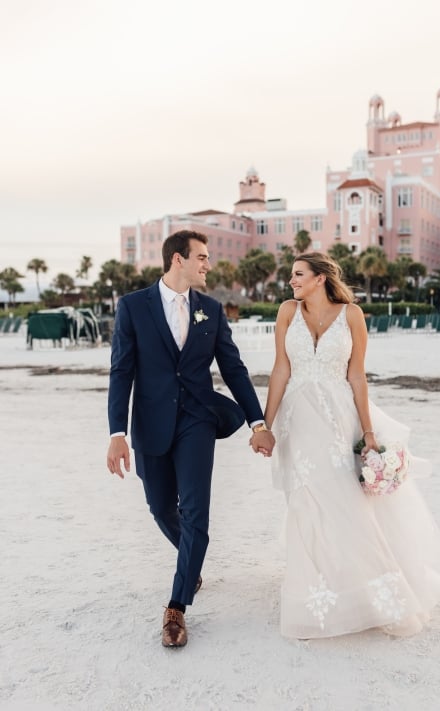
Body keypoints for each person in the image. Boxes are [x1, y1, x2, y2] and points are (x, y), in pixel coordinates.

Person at [263, 252, 440, 638]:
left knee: (347, 500)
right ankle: (315, 594)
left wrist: (368, 432)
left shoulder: (351, 314)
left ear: (320, 278)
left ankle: (380, 594)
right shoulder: (287, 311)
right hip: (299, 421)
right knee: (306, 501)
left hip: (340, 418)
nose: (292, 281)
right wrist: (263, 425)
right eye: (291, 276)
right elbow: (281, 369)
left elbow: (356, 375)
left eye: (299, 275)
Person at [106, 230, 275, 648]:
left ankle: (177, 607)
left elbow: (233, 369)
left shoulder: (212, 311)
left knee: (196, 512)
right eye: (201, 257)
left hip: (198, 419)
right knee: (160, 505)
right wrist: (116, 433)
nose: (207, 264)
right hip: (151, 423)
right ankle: (191, 562)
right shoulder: (132, 307)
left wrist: (257, 422)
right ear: (177, 259)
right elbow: (121, 372)